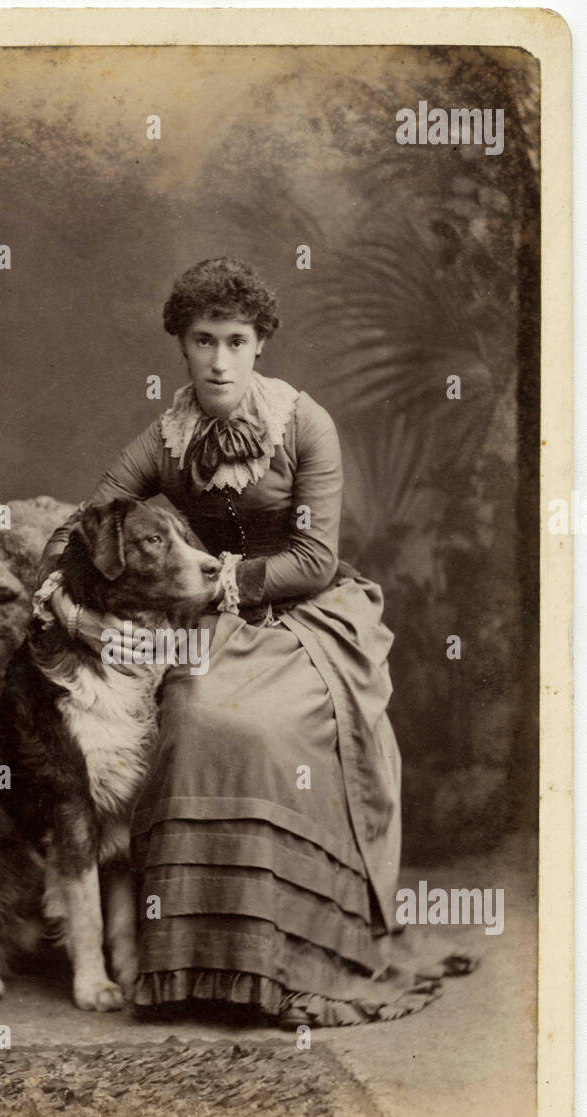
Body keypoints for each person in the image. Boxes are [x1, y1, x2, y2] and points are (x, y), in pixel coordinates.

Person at [36, 257, 475, 1028]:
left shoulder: (305, 425)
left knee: (265, 731)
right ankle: (191, 968)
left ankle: (287, 961)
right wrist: (75, 615)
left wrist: (218, 585)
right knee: (194, 716)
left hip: (306, 616)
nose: (218, 360)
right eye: (203, 340)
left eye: (236, 341)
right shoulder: (165, 437)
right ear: (181, 344)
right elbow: (82, 528)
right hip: (205, 622)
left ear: (260, 344)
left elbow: (311, 560)